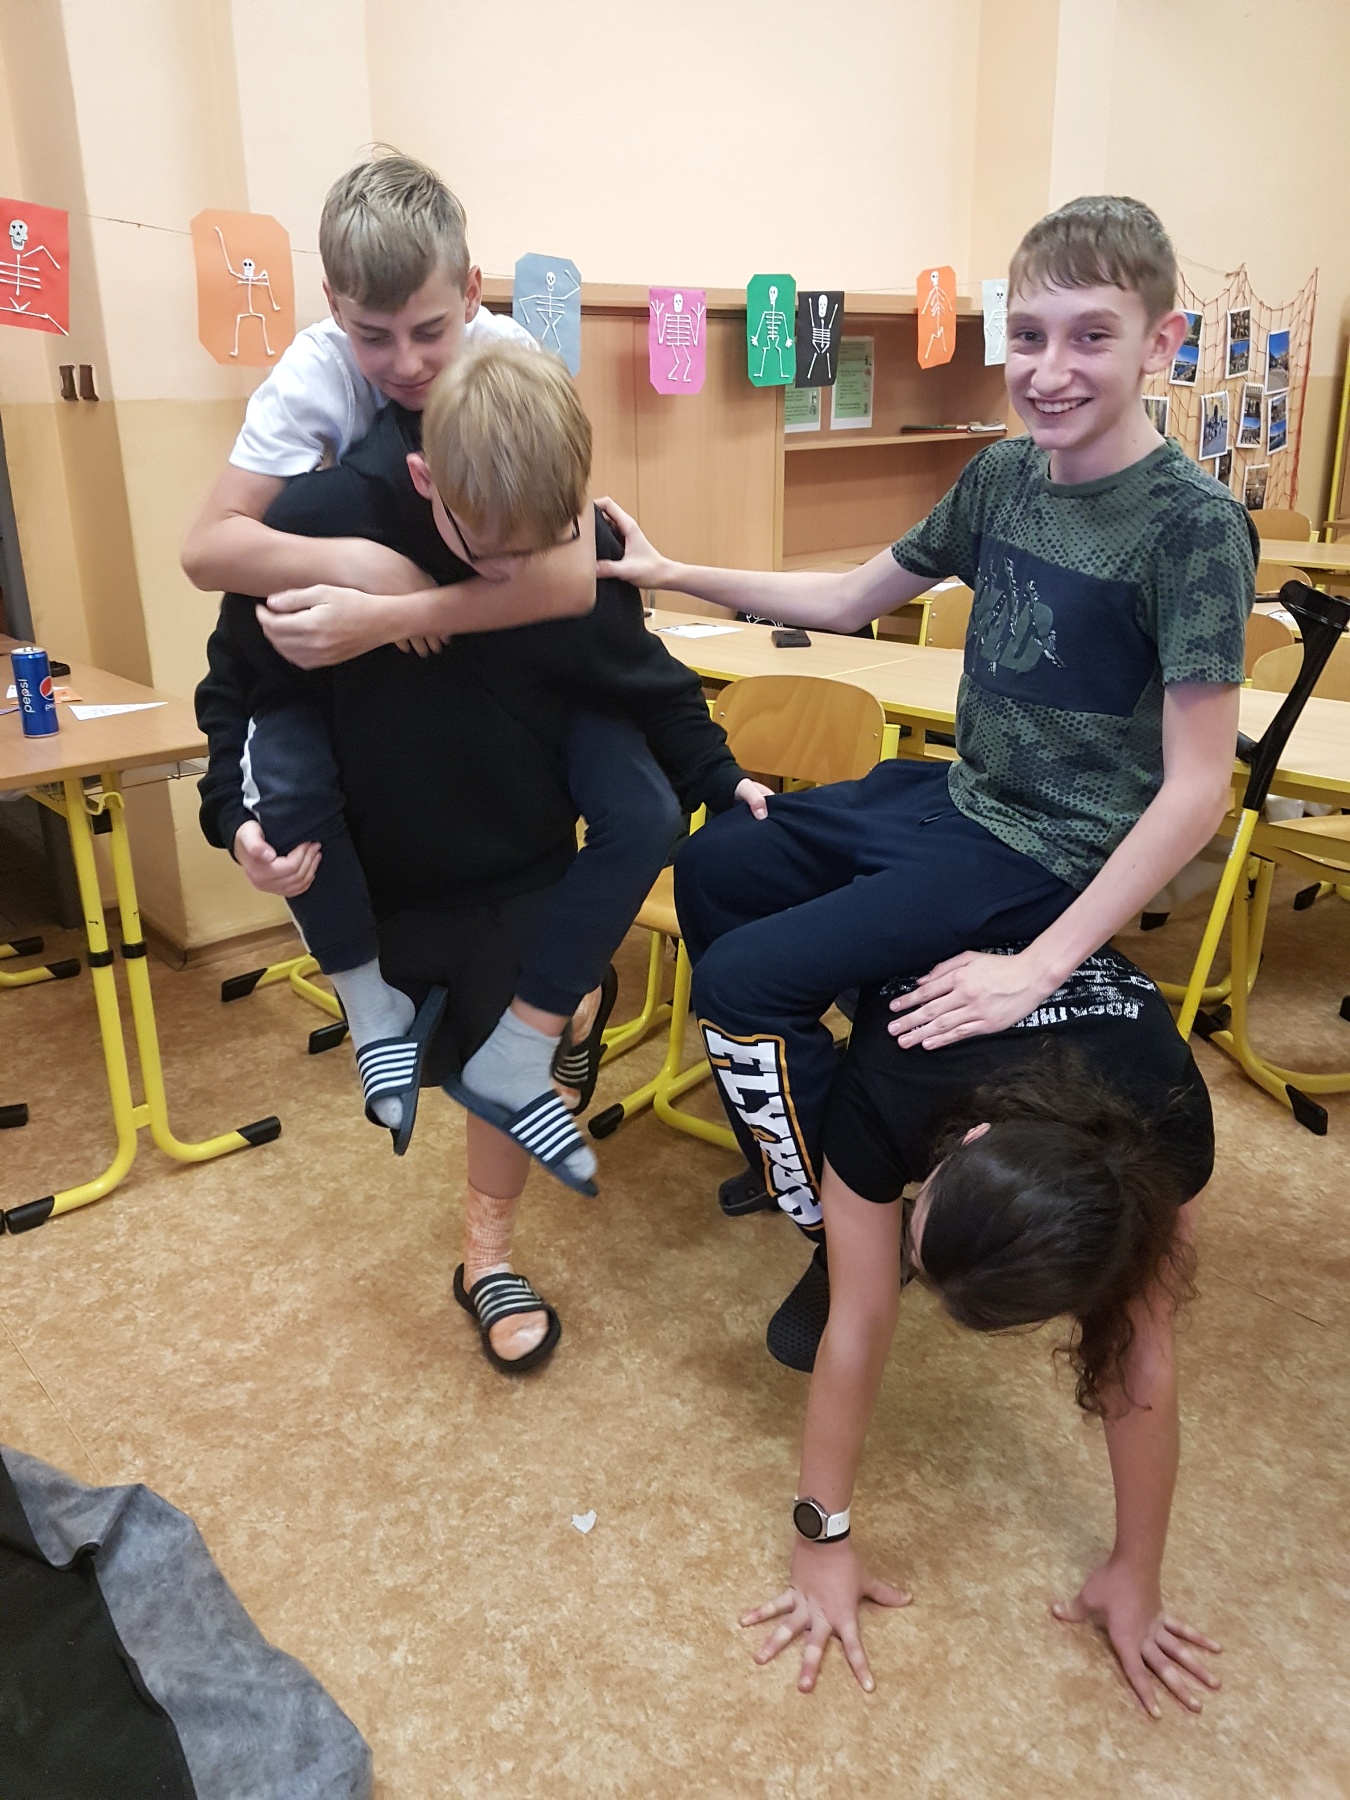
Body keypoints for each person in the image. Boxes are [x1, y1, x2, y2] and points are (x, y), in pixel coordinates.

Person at [595, 194, 1255, 1258]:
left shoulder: (1193, 527)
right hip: (954, 798)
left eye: (1091, 337)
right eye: (1028, 337)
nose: (1050, 370)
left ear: (1159, 343)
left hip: (1054, 850)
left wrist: (1041, 965)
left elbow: (1197, 789)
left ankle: (845, 1226)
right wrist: (668, 570)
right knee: (716, 867)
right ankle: (809, 1139)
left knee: (741, 981)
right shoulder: (1001, 474)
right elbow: (848, 597)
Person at [196, 342, 768, 1372]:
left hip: (519, 857)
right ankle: (578, 1004)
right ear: (428, 483)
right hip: (385, 859)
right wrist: (231, 816)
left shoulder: (573, 542)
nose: (514, 575)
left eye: (541, 547)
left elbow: (639, 675)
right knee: (449, 1052)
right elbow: (238, 682)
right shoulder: (321, 517)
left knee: (503, 1069)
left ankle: (487, 1259)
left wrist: (721, 778)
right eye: (489, 548)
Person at [182, 151, 685, 1149]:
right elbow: (208, 553)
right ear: (334, 307)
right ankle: (384, 1002)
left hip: (513, 680)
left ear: (472, 293)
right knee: (310, 795)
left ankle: (565, 1003)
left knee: (636, 816)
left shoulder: (510, 356)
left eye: (429, 331)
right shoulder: (314, 380)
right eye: (373, 335)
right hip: (396, 688)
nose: (407, 363)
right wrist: (369, 567)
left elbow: (565, 581)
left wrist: (399, 611)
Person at [740, 943, 1223, 1718]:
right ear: (969, 1138)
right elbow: (858, 1321)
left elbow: (1141, 1346)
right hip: (935, 924)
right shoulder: (887, 1089)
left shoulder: (1171, 1122)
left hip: (1117, 1056)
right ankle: (862, 1233)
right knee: (853, 1271)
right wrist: (818, 1541)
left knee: (1141, 1320)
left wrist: (1138, 1568)